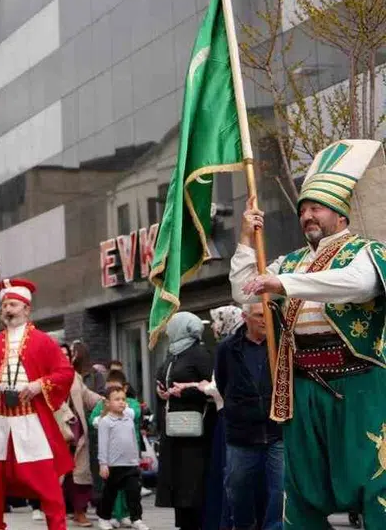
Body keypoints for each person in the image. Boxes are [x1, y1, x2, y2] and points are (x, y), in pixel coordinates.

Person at [231, 139, 386, 529]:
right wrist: (246, 240)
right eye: (302, 210)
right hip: (302, 385)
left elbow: (357, 285)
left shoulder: (367, 252)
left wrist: (283, 284)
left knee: (373, 475)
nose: (307, 216)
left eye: (316, 208)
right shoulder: (291, 261)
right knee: (301, 485)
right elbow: (244, 291)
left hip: (358, 383)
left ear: (339, 213)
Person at [0, 278, 74, 530]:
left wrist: (40, 384)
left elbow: (65, 373)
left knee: (48, 484)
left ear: (26, 309)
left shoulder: (43, 341)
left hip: (29, 419)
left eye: (13, 304)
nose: (7, 309)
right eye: (5, 305)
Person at [214, 302, 281, 530]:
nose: (264, 320)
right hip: (242, 433)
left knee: (280, 488)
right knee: (237, 486)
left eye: (267, 315)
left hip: (276, 430)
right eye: (259, 315)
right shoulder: (227, 348)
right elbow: (223, 382)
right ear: (245, 317)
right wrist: (239, 408)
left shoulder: (279, 344)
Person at [154, 312, 214, 530]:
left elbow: (212, 389)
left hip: (194, 433)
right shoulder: (174, 353)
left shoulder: (199, 353)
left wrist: (186, 392)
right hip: (175, 430)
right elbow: (164, 377)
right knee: (178, 482)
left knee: (192, 483)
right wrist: (162, 390)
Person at [95, 387, 149, 530]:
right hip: (113, 465)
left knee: (134, 493)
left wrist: (137, 459)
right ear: (107, 403)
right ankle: (104, 517)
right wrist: (103, 464)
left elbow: (133, 439)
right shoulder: (105, 422)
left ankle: (136, 519)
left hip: (130, 464)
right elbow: (103, 443)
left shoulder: (128, 419)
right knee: (109, 494)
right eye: (117, 399)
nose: (121, 402)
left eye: (123, 399)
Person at [65, 342, 103, 527]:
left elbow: (88, 396)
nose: (64, 358)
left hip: (77, 430)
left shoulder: (75, 377)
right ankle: (58, 510)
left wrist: (108, 402)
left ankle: (80, 511)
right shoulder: (45, 377)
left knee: (80, 472)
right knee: (59, 474)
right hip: (55, 430)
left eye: (67, 355)